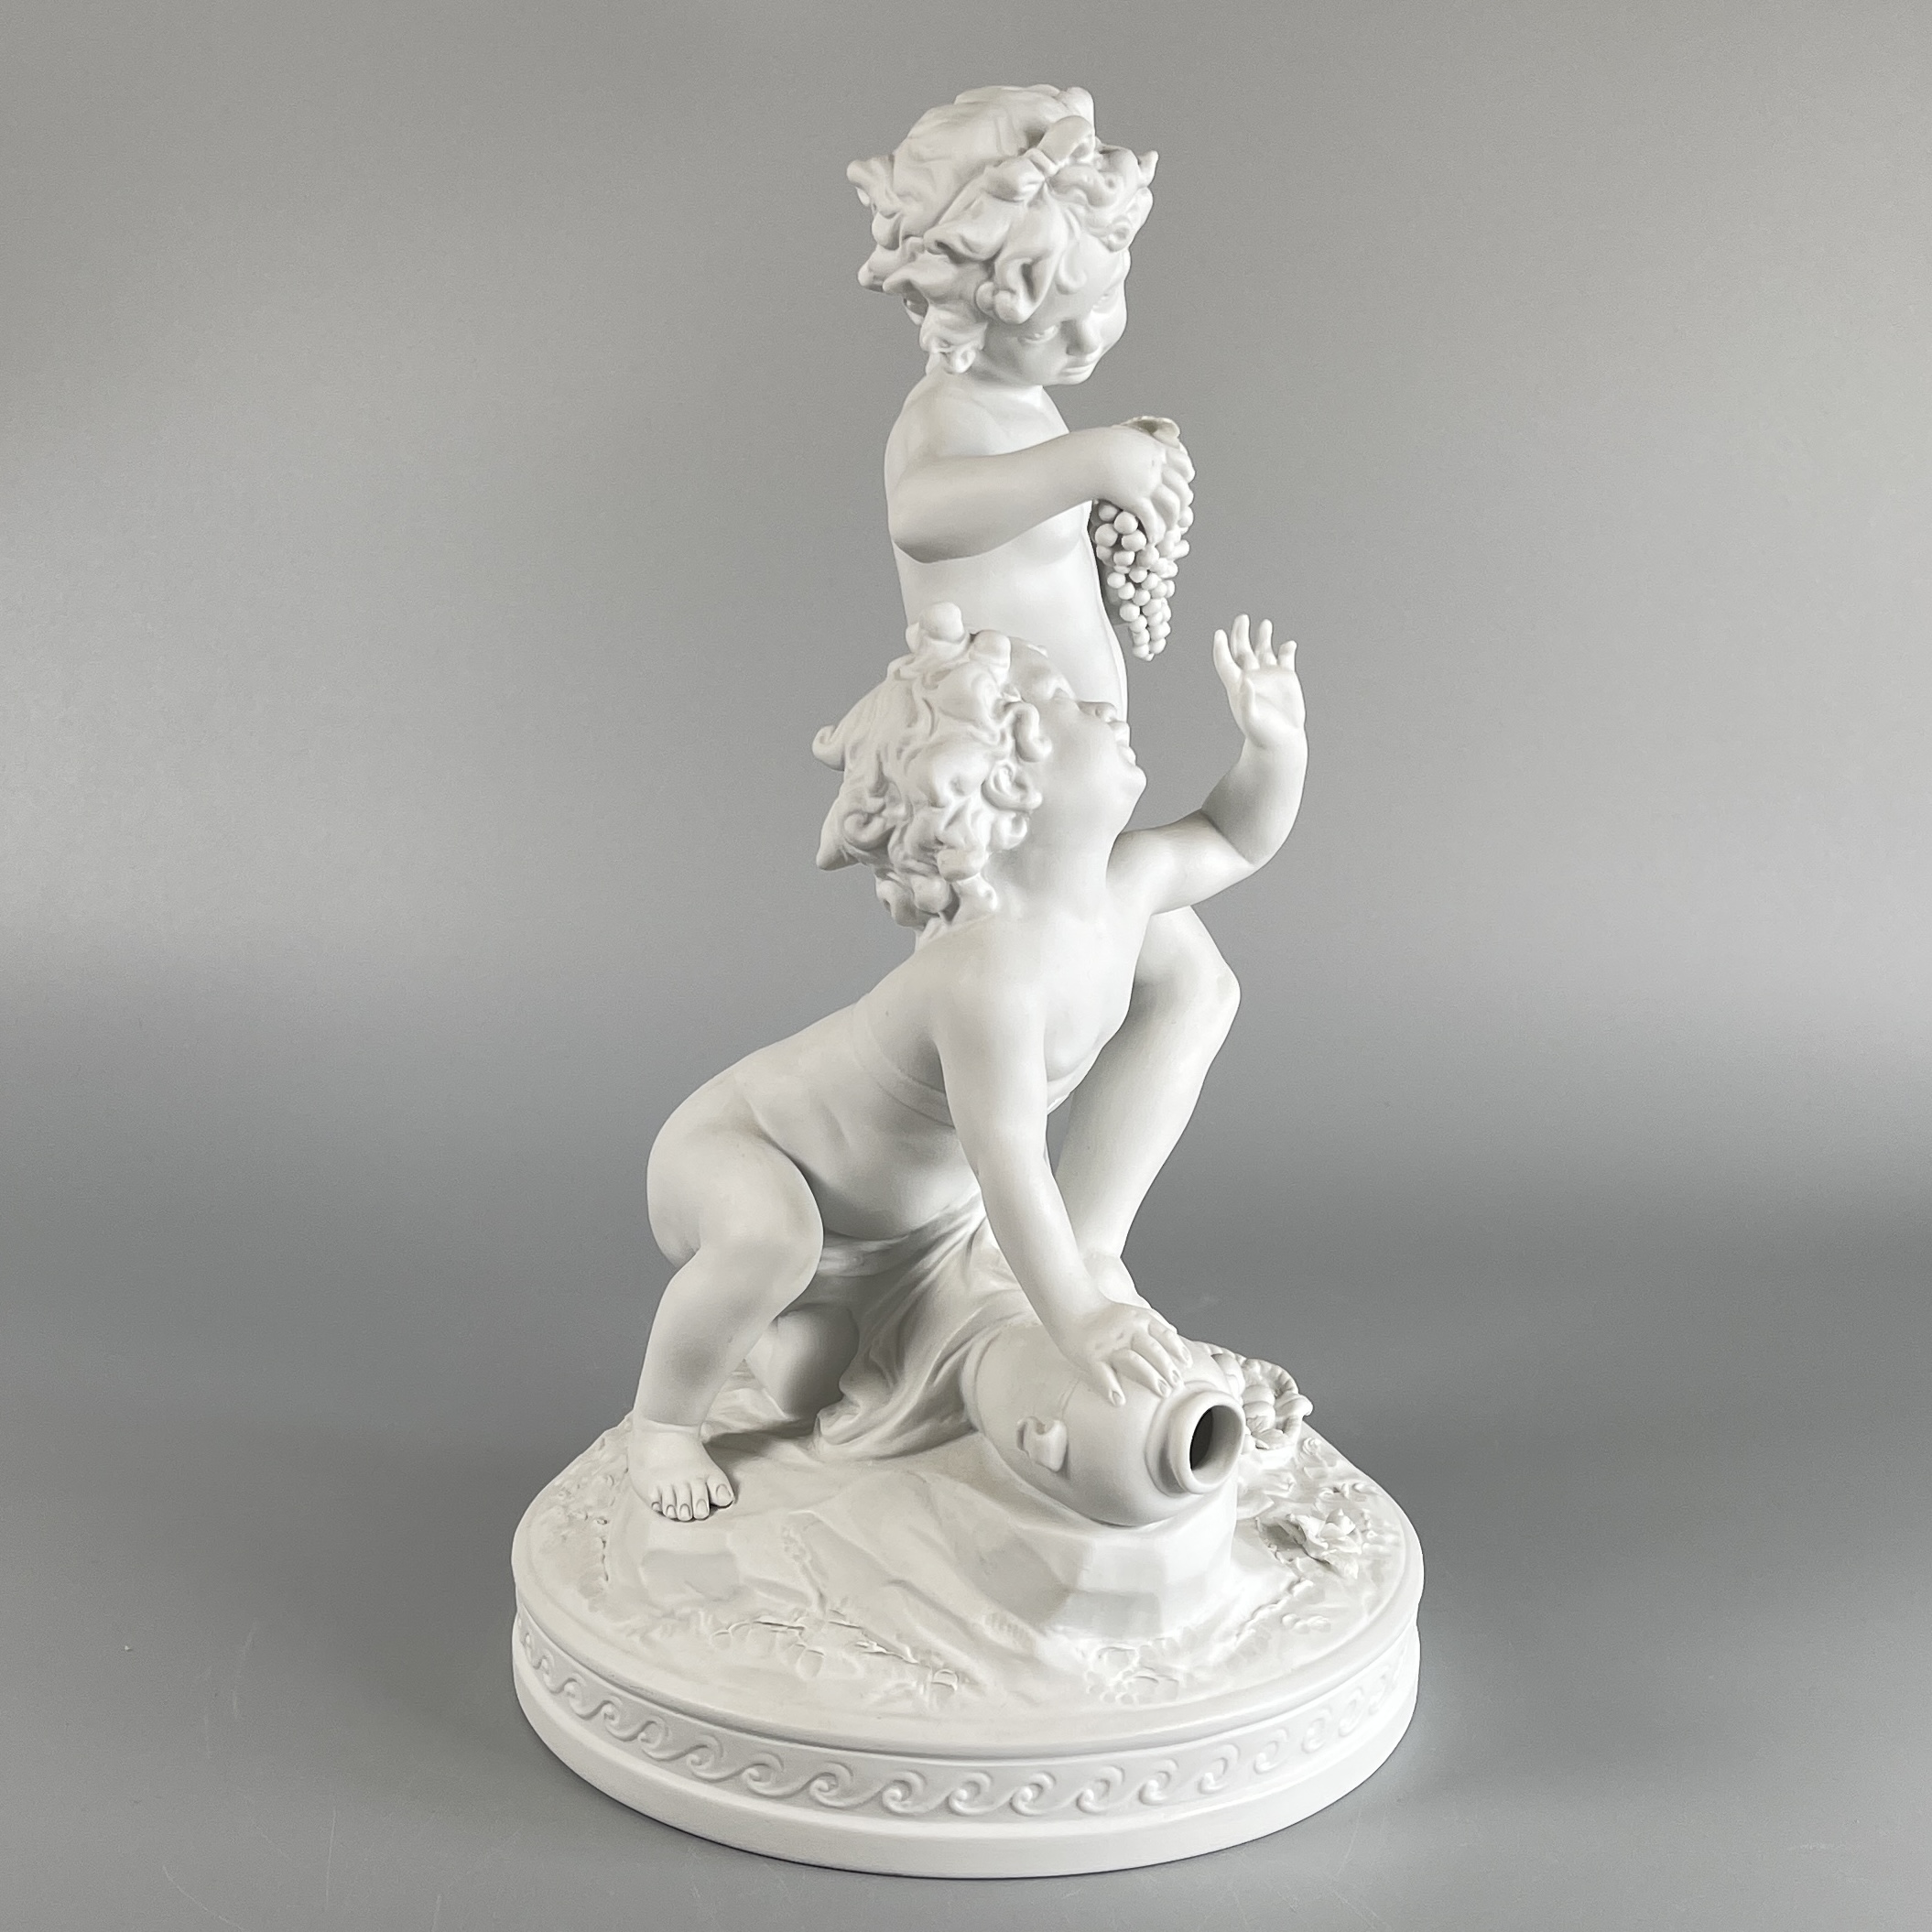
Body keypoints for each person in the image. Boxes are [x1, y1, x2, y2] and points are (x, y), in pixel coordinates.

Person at [630, 603, 1307, 1522]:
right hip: (743, 1148)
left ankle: (781, 1335)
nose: (1102, 706)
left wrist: (1273, 745)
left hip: (893, 1228)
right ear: (1007, 781)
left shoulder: (1129, 881)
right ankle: (664, 1422)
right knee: (772, 1242)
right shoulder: (987, 976)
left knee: (806, 1381)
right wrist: (1078, 1314)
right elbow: (1009, 1162)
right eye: (1062, 702)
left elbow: (1234, 837)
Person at [849, 85, 1242, 1301]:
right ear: (976, 311)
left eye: (1106, 301)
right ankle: (1024, 1258)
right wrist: (1086, 461)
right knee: (1026, 1034)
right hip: (1002, 797)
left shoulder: (1022, 399)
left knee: (1188, 990)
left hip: (1072, 787)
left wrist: (1098, 462)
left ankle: (1081, 1244)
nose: (1094, 339)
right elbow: (926, 514)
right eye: (1065, 322)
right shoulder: (940, 417)